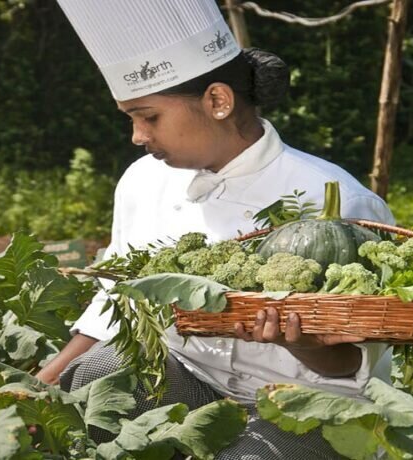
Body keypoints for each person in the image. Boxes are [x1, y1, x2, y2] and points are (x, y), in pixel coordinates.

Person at [38, 1, 395, 458]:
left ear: (218, 101)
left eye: (149, 117)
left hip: (313, 401)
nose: (137, 137)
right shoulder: (142, 180)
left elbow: (356, 365)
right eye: (130, 119)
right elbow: (115, 300)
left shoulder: (338, 201)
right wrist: (43, 384)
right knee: (94, 376)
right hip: (191, 377)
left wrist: (304, 342)